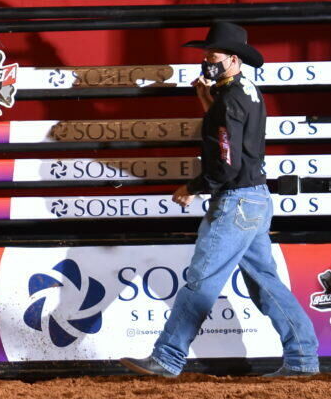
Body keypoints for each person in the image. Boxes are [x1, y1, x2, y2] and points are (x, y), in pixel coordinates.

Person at [120, 22, 319, 378]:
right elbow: (236, 137)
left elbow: (227, 163)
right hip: (256, 199)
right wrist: (206, 100)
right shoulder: (245, 91)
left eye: (212, 55)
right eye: (206, 54)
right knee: (264, 283)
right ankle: (303, 357)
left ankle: (167, 357)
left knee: (203, 277)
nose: (206, 60)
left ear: (233, 59)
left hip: (236, 201)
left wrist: (193, 186)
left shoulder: (229, 100)